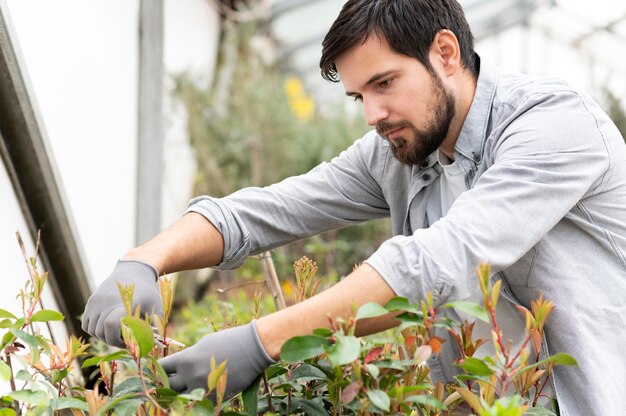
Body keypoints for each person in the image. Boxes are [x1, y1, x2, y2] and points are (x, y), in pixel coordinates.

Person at [82, 0, 626, 414]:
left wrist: (263, 341)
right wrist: (145, 260)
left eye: (384, 83)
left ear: (445, 53)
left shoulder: (554, 126)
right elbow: (266, 211)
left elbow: (436, 262)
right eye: (358, 95)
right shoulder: (400, 150)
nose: (372, 113)